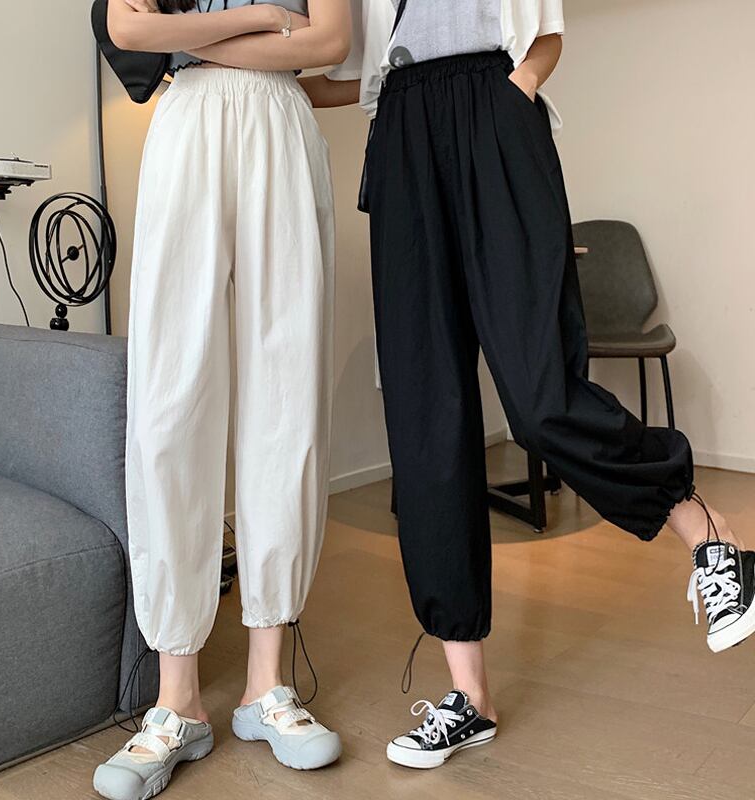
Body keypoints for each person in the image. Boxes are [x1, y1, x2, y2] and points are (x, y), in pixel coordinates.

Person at [300, 0, 755, 770]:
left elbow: (544, 31)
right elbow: (353, 68)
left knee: (543, 398)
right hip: (403, 135)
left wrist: (514, 94)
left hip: (495, 114)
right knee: (425, 419)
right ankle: (469, 696)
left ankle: (707, 533)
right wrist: (240, 69)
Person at [93, 1, 352, 797]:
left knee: (288, 397)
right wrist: (266, 22)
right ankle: (177, 701)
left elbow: (333, 41)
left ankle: (265, 686)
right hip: (188, 128)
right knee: (170, 404)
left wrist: (199, 41)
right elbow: (129, 31)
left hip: (281, 126)